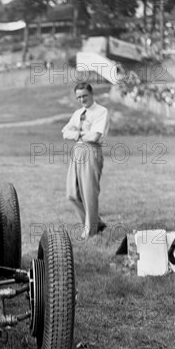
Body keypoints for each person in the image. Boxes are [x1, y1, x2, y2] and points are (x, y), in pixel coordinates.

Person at [62, 82, 110, 240]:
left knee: (89, 193)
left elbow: (95, 136)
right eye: (79, 97)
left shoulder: (101, 112)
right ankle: (96, 223)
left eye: (84, 96)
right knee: (72, 194)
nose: (82, 99)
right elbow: (65, 132)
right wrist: (80, 134)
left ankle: (90, 232)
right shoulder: (78, 113)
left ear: (92, 94)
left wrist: (77, 133)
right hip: (77, 150)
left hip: (91, 151)